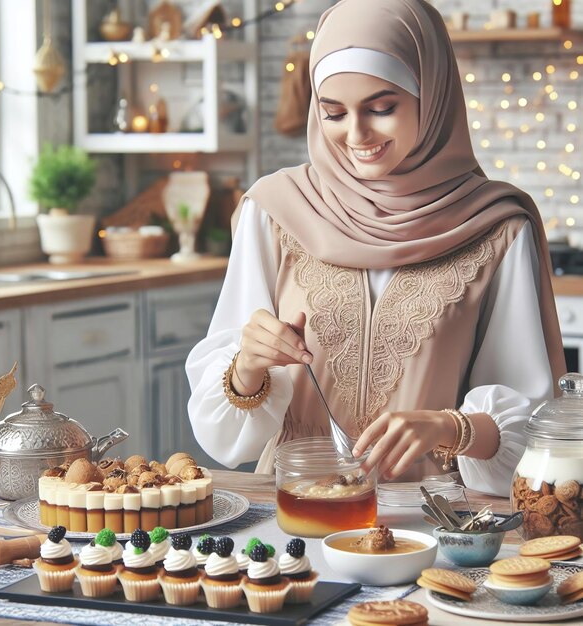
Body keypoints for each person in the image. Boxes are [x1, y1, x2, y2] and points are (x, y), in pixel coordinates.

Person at [185, 0, 565, 497]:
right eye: (333, 113)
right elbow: (224, 439)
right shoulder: (275, 211)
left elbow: (534, 430)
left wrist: (453, 427)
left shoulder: (495, 226)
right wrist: (249, 367)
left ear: (431, 96)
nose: (357, 135)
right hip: (294, 514)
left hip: (435, 524)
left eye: (382, 108)